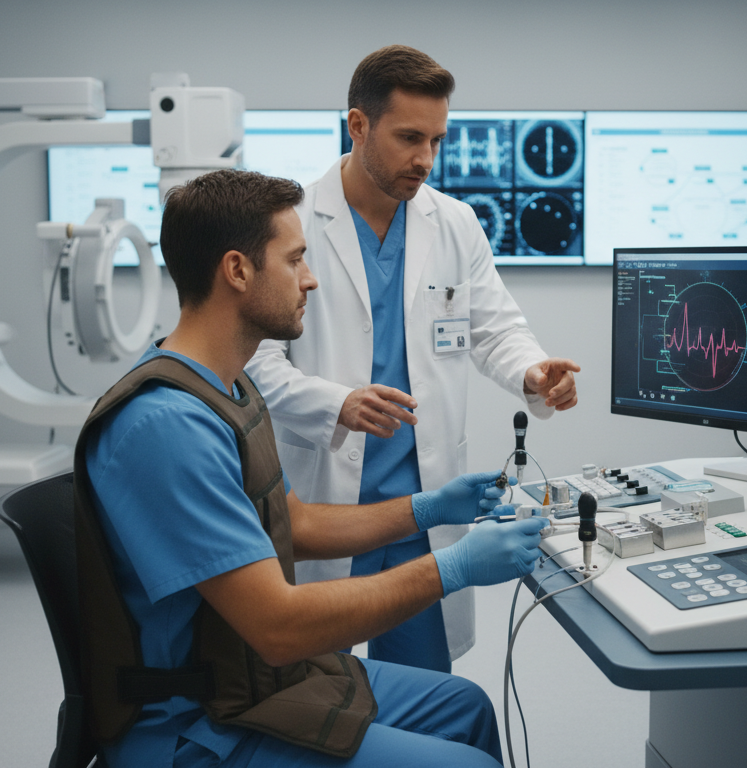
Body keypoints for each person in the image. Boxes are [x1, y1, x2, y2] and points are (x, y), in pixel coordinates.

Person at [76, 169, 548, 768]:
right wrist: (454, 566)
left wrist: (429, 508)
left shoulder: (227, 387)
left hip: (250, 678)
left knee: (465, 708)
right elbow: (279, 628)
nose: (312, 278)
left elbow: (292, 522)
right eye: (295, 259)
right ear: (238, 271)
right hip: (198, 718)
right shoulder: (166, 426)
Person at [246, 44, 581, 673]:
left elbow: (494, 329)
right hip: (327, 503)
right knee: (316, 682)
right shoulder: (293, 224)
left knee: (426, 690)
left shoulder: (453, 223)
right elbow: (254, 359)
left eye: (436, 140)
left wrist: (534, 372)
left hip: (424, 509)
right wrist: (334, 402)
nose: (425, 159)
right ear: (358, 126)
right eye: (408, 138)